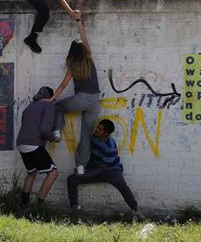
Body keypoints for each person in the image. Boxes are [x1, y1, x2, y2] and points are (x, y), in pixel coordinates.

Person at [48, 19, 100, 175]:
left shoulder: (72, 66)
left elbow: (63, 86)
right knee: (86, 135)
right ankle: (81, 166)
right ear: (83, 50)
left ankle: (57, 132)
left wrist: (51, 99)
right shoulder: (89, 58)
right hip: (95, 102)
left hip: (81, 99)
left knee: (58, 106)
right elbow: (84, 38)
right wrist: (79, 21)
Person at [67, 119, 138, 213]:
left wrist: (84, 174)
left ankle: (136, 210)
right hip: (97, 168)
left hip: (111, 171)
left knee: (123, 187)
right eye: (97, 127)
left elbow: (102, 168)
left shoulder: (110, 147)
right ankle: (74, 208)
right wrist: (81, 168)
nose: (96, 130)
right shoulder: (94, 138)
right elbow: (86, 152)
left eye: (100, 129)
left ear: (106, 133)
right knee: (72, 179)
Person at [16, 86, 59, 205]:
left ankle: (24, 204)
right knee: (53, 173)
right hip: (33, 144)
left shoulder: (29, 107)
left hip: (21, 143)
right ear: (50, 97)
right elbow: (44, 130)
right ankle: (38, 206)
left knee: (31, 173)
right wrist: (53, 138)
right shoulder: (49, 105)